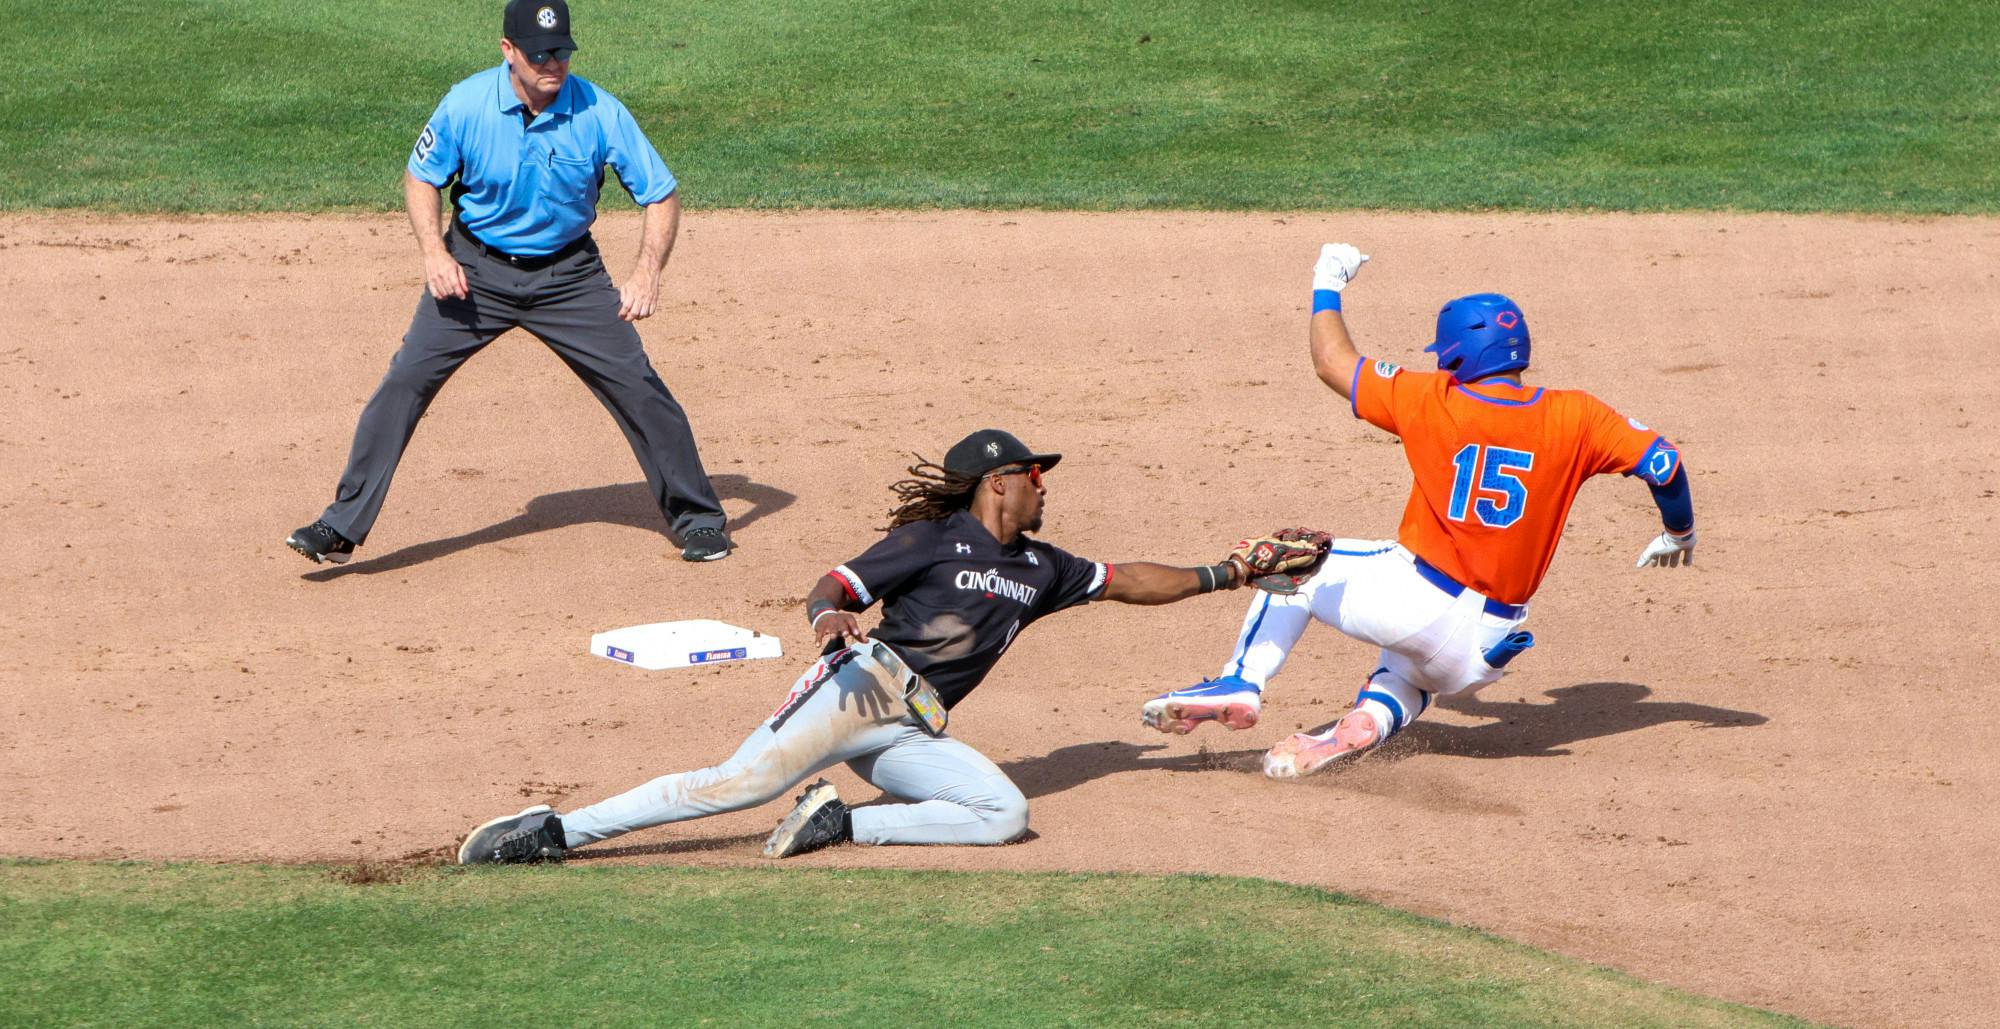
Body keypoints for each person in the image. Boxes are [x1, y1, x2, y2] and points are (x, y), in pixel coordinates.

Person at [457, 429, 1317, 863]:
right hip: (862, 686)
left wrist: (1229, 570)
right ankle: (552, 831)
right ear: (999, 482)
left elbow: (1131, 578)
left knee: (1005, 814)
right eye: (1035, 474)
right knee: (730, 786)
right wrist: (830, 625)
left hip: (915, 727)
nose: (1045, 485)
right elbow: (831, 588)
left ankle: (842, 823)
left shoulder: (1045, 567)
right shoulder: (936, 540)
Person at [1142, 243, 1699, 779]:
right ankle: (1371, 718)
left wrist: (1327, 280)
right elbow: (1665, 465)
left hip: (1420, 602)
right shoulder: (1579, 416)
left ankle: (1240, 680)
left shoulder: (1432, 398)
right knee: (1407, 674)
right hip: (1484, 650)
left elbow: (1332, 362)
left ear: (1457, 354)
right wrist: (1679, 531)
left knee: (1294, 560)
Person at [286, 0, 730, 567]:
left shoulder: (598, 110)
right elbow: (422, 177)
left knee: (639, 387)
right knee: (404, 384)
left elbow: (660, 192)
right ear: (508, 50)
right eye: (540, 54)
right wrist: (433, 254)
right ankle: (340, 525)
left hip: (569, 276)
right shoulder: (466, 104)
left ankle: (699, 520)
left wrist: (647, 273)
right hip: (475, 273)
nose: (554, 66)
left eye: (562, 53)